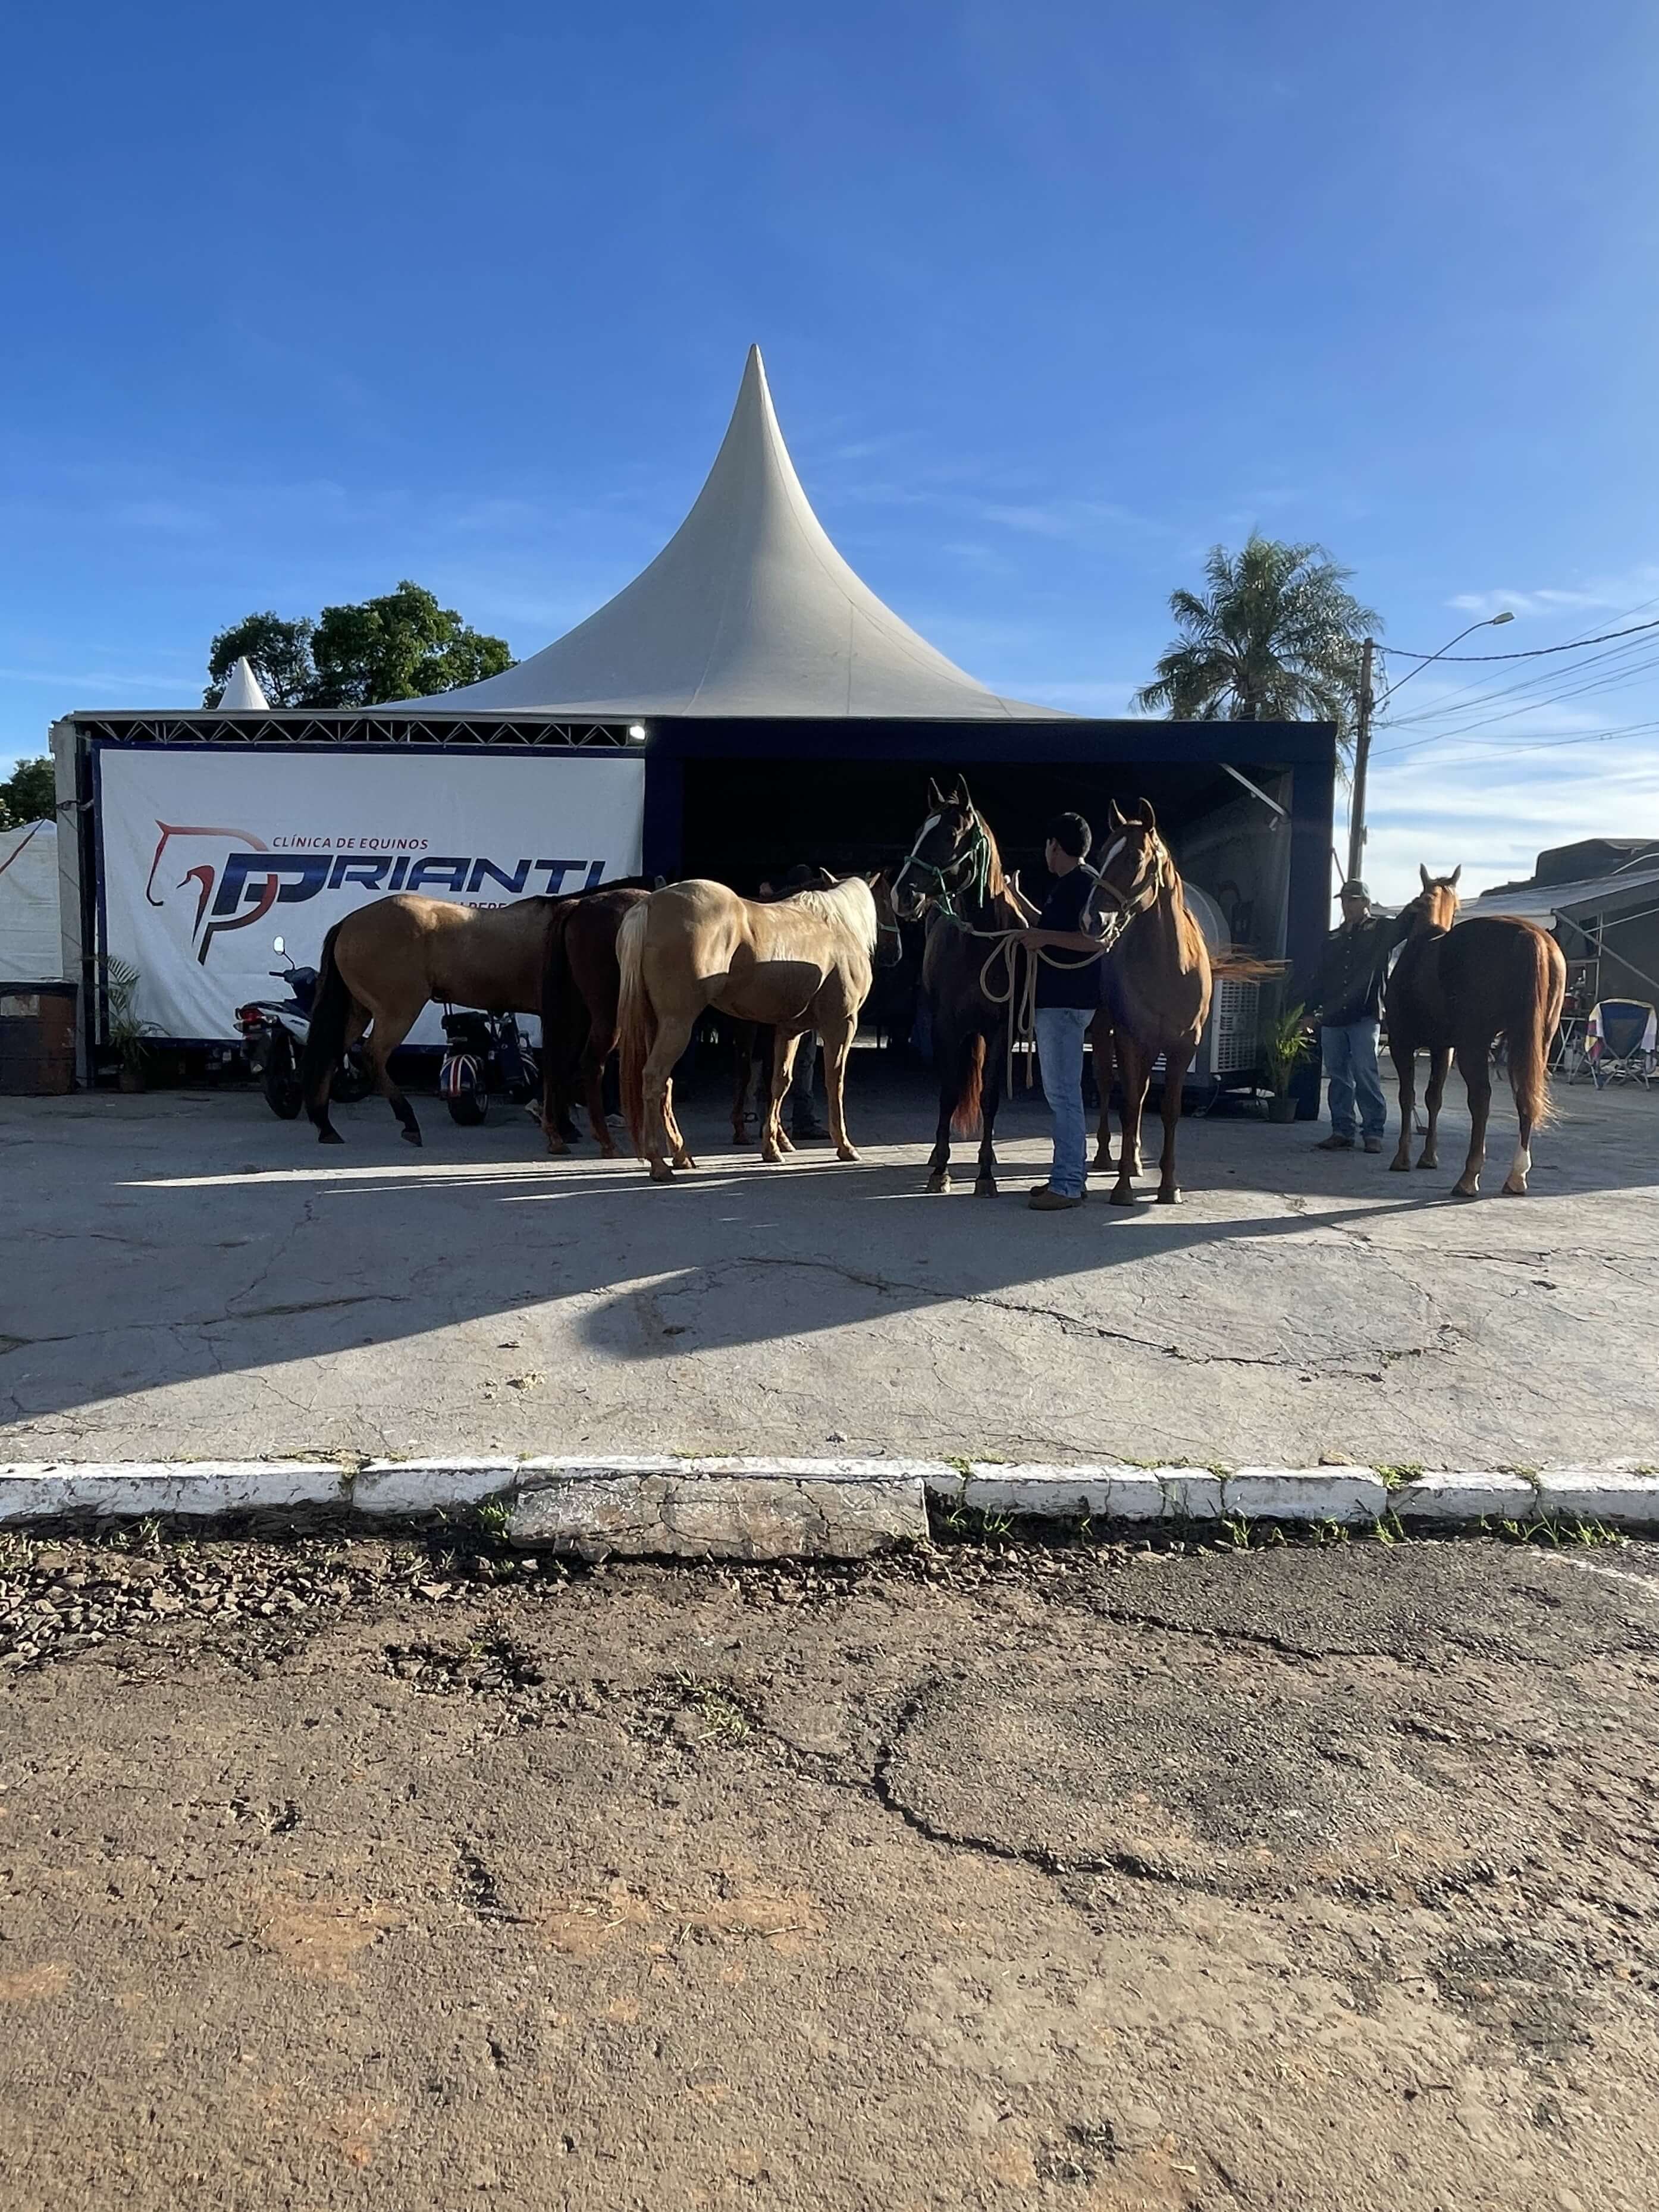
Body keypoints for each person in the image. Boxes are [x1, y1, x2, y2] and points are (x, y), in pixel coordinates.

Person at [1306, 878, 1412, 1154]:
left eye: (1353, 900)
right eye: (1344, 900)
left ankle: (1373, 1132)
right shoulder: (1333, 938)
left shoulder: (1381, 930)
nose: (1347, 905)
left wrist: (1419, 902)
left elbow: (1405, 924)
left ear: (1366, 902)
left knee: (1365, 1072)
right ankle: (1342, 1130)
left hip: (1365, 1015)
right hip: (1333, 1017)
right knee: (1338, 1075)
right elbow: (1320, 979)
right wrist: (1310, 1012)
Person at [1027, 812, 1099, 1211]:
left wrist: (1043, 937)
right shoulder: (1071, 885)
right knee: (1063, 1094)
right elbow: (1048, 932)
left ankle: (1067, 1184)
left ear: (1055, 845)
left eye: (1047, 845)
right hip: (1062, 1001)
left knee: (1063, 1095)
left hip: (1064, 1002)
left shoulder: (1084, 884)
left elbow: (1096, 941)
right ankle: (1070, 1175)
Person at [757, 871, 828, 1141]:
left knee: (776, 1061)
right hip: (800, 1000)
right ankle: (797, 1120)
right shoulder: (805, 921)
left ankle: (769, 1118)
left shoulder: (783, 915)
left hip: (781, 998)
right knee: (802, 1062)